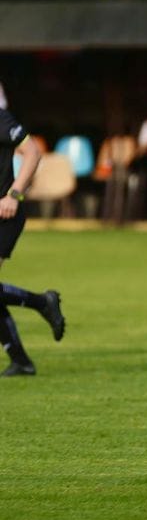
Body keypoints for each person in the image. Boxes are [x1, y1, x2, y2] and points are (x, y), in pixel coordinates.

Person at [0, 104, 66, 376]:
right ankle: (21, 360)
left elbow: (33, 151)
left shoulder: (0, 119)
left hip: (4, 212)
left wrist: (14, 194)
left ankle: (42, 303)